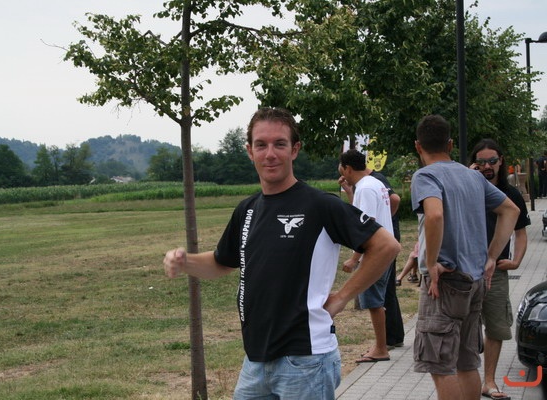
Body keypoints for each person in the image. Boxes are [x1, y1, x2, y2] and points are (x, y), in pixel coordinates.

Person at [163, 107, 401, 399]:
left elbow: (386, 246)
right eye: (261, 145)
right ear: (250, 151)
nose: (270, 154)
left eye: (279, 144)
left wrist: (342, 298)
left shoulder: (319, 205)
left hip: (306, 359)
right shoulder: (247, 210)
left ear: (294, 149)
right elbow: (221, 262)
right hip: (255, 360)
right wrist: (185, 261)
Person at [410, 115, 519, 400]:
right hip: (475, 281)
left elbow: (434, 214)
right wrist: (492, 257)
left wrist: (431, 263)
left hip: (445, 283)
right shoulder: (473, 176)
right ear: (450, 144)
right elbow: (511, 211)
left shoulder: (425, 176)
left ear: (418, 146)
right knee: (467, 362)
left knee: (440, 364)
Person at [470, 139, 531, 400]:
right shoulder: (467, 190)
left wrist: (516, 261)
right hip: (466, 270)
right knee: (465, 327)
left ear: (501, 161)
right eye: (481, 162)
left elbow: (521, 233)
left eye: (492, 161)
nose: (487, 166)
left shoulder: (511, 194)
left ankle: (489, 381)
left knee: (495, 326)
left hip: (496, 272)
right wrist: (468, 178)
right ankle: (468, 380)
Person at [338, 153, 405, 350]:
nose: (342, 175)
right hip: (386, 249)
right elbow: (363, 214)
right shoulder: (374, 183)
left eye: (342, 170)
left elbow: (367, 225)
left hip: (376, 252)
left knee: (374, 301)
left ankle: (380, 348)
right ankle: (383, 344)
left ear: (348, 168)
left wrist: (354, 258)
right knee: (380, 299)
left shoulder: (365, 188)